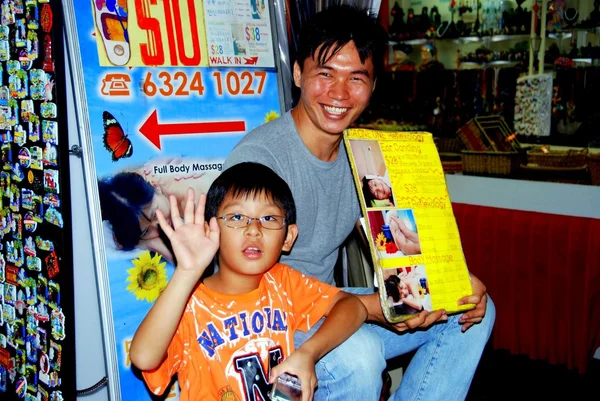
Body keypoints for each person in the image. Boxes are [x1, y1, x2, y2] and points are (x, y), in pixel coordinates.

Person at [223, 5, 495, 401]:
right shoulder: (262, 159)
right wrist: (371, 305)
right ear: (298, 74)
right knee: (360, 355)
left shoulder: (363, 156)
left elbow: (394, 240)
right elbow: (242, 283)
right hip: (269, 320)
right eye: (325, 74)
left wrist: (445, 281)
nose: (339, 94)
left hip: (331, 313)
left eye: (356, 78)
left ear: (372, 86)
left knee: (474, 312)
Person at [129, 162, 371, 401]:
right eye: (236, 216)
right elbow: (143, 358)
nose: (253, 229)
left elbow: (352, 306)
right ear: (210, 231)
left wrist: (308, 353)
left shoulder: (282, 283)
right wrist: (187, 272)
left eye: (268, 218)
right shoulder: (188, 304)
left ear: (288, 238)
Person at [98, 157, 221, 263]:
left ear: (155, 186)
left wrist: (148, 243)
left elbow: (198, 267)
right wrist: (151, 244)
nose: (159, 225)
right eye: (146, 232)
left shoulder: (197, 197)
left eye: (155, 213)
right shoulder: (137, 182)